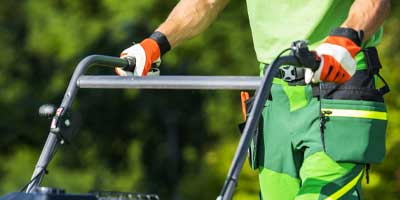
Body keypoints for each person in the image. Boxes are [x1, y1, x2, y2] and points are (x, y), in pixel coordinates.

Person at [115, 0, 391, 199]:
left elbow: (375, 3)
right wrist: (155, 44)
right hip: (272, 93)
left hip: (338, 82)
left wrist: (345, 39)